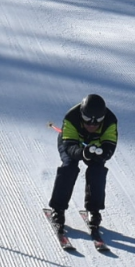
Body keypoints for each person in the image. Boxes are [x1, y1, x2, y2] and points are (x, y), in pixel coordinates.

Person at [48, 94, 118, 242]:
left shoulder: (110, 121)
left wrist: (102, 154)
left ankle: (94, 210)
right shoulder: (71, 118)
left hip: (95, 147)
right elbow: (69, 147)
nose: (92, 125)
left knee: (97, 170)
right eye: (87, 120)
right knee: (69, 167)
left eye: (97, 121)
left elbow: (109, 146)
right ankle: (58, 209)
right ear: (81, 114)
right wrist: (82, 153)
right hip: (72, 144)